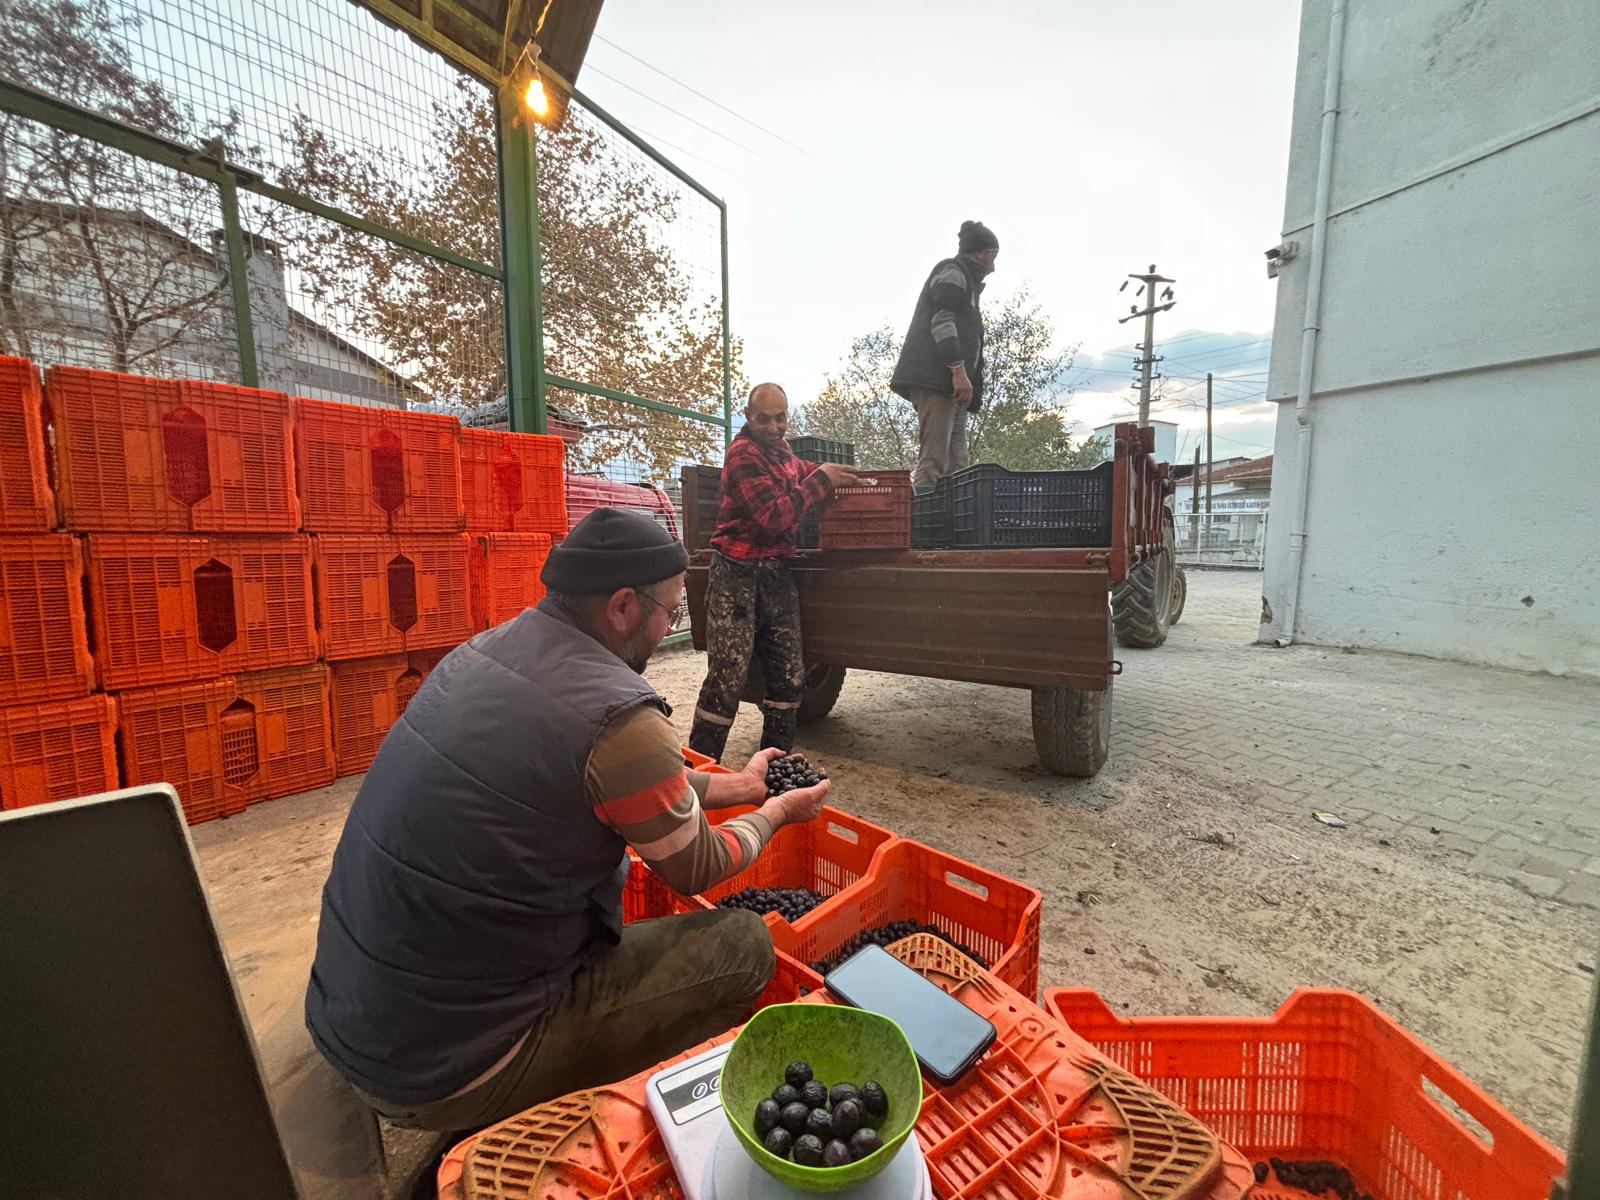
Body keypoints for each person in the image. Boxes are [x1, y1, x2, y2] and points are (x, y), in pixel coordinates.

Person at [303, 507, 832, 1132]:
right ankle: (612, 1097)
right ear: (622, 608)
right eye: (671, 611)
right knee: (743, 945)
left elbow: (611, 779)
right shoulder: (621, 717)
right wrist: (771, 812)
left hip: (356, 1017)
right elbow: (699, 867)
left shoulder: (484, 652)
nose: (671, 624)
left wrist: (735, 784)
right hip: (450, 1070)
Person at [688, 382, 860, 761]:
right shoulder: (742, 456)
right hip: (737, 573)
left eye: (780, 417)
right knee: (727, 679)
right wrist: (821, 481)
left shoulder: (782, 452)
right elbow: (773, 517)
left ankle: (773, 770)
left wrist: (845, 479)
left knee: (788, 676)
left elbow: (804, 471)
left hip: (775, 573)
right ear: (749, 417)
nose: (774, 425)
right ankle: (699, 773)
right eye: (764, 418)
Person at [891, 220, 999, 493]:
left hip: (951, 385)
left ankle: (952, 524)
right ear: (978, 253)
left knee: (957, 461)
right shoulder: (952, 272)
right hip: (936, 382)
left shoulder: (967, 282)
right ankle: (923, 525)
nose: (994, 266)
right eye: (992, 256)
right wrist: (959, 371)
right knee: (934, 459)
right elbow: (942, 320)